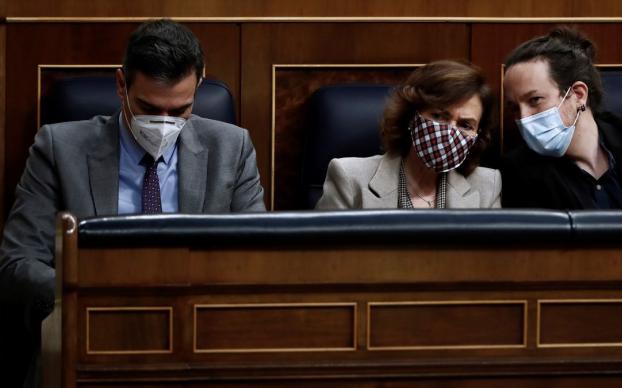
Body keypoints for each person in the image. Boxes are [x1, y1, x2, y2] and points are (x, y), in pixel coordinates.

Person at [0, 19, 265, 386]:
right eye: (149, 107)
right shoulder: (60, 148)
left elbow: (255, 260)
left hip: (198, 346)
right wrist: (97, 301)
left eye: (180, 110)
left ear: (199, 84)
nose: (165, 122)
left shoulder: (231, 148)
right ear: (121, 85)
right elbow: (18, 265)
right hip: (90, 341)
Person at [500, 27, 622, 209]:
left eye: (535, 100)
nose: (523, 118)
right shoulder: (519, 171)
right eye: (515, 108)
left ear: (578, 94)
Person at [316, 60, 501, 210]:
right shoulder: (350, 177)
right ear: (412, 116)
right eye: (438, 116)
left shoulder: (486, 185)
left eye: (465, 125)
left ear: (478, 135)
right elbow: (325, 255)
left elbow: (490, 257)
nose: (450, 132)